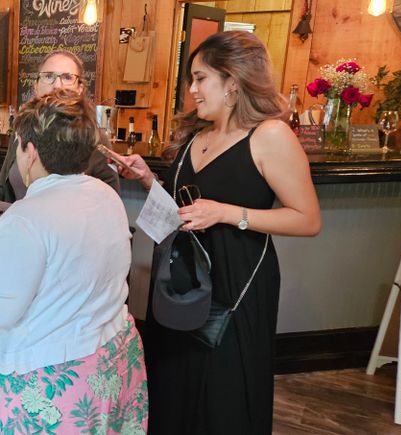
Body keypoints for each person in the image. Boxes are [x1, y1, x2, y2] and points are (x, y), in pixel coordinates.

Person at [113, 31, 321, 434]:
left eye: (200, 78)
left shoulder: (270, 136)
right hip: (180, 282)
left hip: (237, 286)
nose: (191, 89)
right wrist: (146, 180)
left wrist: (228, 213)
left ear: (233, 81)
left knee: (223, 396)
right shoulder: (196, 136)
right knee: (173, 386)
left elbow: (308, 219)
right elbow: (184, 212)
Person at [0, 89, 147, 433]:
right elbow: (71, 253)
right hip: (108, 364)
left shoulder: (27, 219)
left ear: (31, 152)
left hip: (50, 389)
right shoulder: (106, 197)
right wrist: (4, 229)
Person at [0, 50, 119, 205]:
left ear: (80, 88)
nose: (57, 85)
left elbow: (110, 201)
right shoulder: (22, 128)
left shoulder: (94, 138)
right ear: (36, 85)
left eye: (67, 77)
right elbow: (2, 186)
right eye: (49, 76)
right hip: (13, 224)